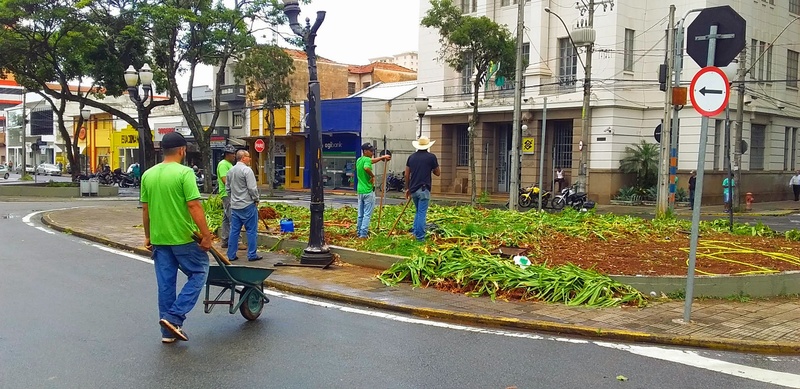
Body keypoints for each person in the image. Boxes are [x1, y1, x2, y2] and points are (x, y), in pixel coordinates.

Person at [140, 131, 212, 344]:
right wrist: (206, 236)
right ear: (182, 150)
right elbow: (193, 205)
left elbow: (146, 210)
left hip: (159, 239)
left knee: (165, 284)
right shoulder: (185, 173)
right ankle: (174, 317)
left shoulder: (148, 175)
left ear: (163, 151)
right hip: (183, 238)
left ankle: (168, 332)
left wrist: (147, 236)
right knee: (199, 271)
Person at [226, 150, 262, 262]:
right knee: (251, 231)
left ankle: (231, 255)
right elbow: (252, 188)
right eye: (248, 156)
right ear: (243, 158)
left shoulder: (230, 171)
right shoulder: (247, 170)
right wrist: (256, 199)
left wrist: (233, 199)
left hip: (235, 206)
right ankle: (252, 255)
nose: (250, 159)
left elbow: (228, 189)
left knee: (234, 231)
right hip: (247, 205)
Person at [405, 136, 440, 242]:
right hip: (424, 189)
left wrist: (407, 188)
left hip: (413, 189)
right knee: (421, 213)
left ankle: (415, 232)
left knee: (418, 212)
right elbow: (438, 173)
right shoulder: (431, 157)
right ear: (427, 146)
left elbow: (407, 174)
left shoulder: (411, 157)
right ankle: (420, 237)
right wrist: (431, 169)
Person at [355, 143, 391, 238]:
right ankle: (363, 234)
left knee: (360, 214)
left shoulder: (359, 160)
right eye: (371, 151)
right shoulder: (366, 160)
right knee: (367, 214)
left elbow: (372, 161)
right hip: (368, 191)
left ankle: (358, 231)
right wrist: (372, 176)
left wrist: (382, 157)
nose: (372, 153)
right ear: (365, 151)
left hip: (360, 191)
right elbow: (366, 167)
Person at [217, 145, 242, 249]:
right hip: (228, 194)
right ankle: (237, 242)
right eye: (232, 154)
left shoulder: (229, 164)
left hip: (228, 194)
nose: (234, 156)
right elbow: (225, 180)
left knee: (226, 218)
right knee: (234, 217)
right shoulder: (223, 164)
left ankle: (225, 240)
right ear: (227, 154)